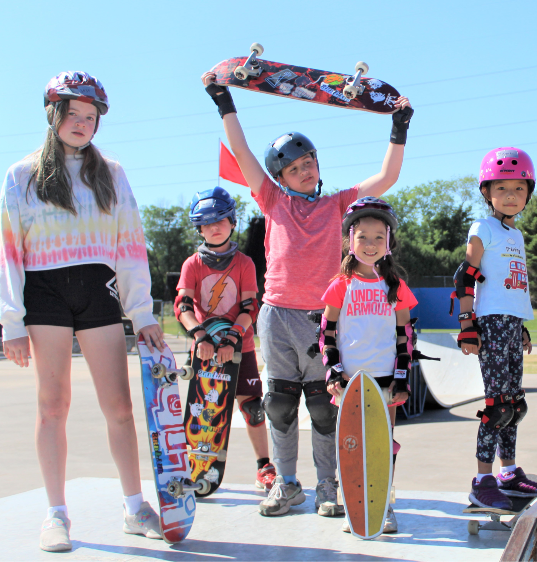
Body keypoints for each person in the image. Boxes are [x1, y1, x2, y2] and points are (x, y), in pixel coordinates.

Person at [200, 70, 413, 518]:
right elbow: (240, 151)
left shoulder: (338, 206)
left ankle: (328, 488)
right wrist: (223, 101)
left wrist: (399, 126)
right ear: (281, 175)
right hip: (276, 316)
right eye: (294, 168)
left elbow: (387, 177)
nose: (304, 171)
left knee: (322, 407)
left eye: (309, 162)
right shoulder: (272, 200)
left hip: (324, 318)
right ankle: (287, 483)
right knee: (278, 404)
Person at [0, 71, 165, 552]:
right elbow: (10, 252)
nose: (82, 123)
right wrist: (11, 321)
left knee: (119, 407)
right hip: (44, 291)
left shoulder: (111, 173)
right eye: (72, 114)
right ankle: (56, 515)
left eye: (90, 117)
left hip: (99, 287)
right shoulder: (21, 175)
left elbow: (131, 244)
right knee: (52, 405)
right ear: (53, 115)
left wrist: (142, 312)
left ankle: (135, 507)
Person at [452, 147, 537, 510]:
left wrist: (521, 326)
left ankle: (508, 474)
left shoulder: (517, 236)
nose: (511, 196)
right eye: (502, 188)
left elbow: (513, 285)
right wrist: (467, 324)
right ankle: (482, 480)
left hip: (511, 324)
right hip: (490, 324)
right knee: (496, 407)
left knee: (515, 404)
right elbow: (466, 275)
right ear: (487, 192)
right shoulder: (483, 227)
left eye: (519, 189)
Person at [322, 197, 417, 534]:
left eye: (379, 237)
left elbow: (405, 336)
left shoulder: (396, 287)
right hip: (350, 381)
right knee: (352, 444)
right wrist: (333, 371)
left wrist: (402, 379)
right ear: (350, 241)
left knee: (383, 442)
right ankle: (354, 505)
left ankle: (384, 505)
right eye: (363, 236)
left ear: (389, 242)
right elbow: (327, 333)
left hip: (385, 380)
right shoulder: (340, 285)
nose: (371, 244)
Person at [174, 187, 274, 491]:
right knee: (205, 410)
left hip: (238, 348)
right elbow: (183, 306)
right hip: (204, 349)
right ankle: (197, 464)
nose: (214, 228)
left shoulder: (244, 263)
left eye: (220, 221)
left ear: (232, 222)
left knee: (253, 407)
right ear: (199, 228)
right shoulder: (193, 264)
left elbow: (249, 307)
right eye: (206, 223)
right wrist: (199, 334)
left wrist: (232, 338)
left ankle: (264, 466)